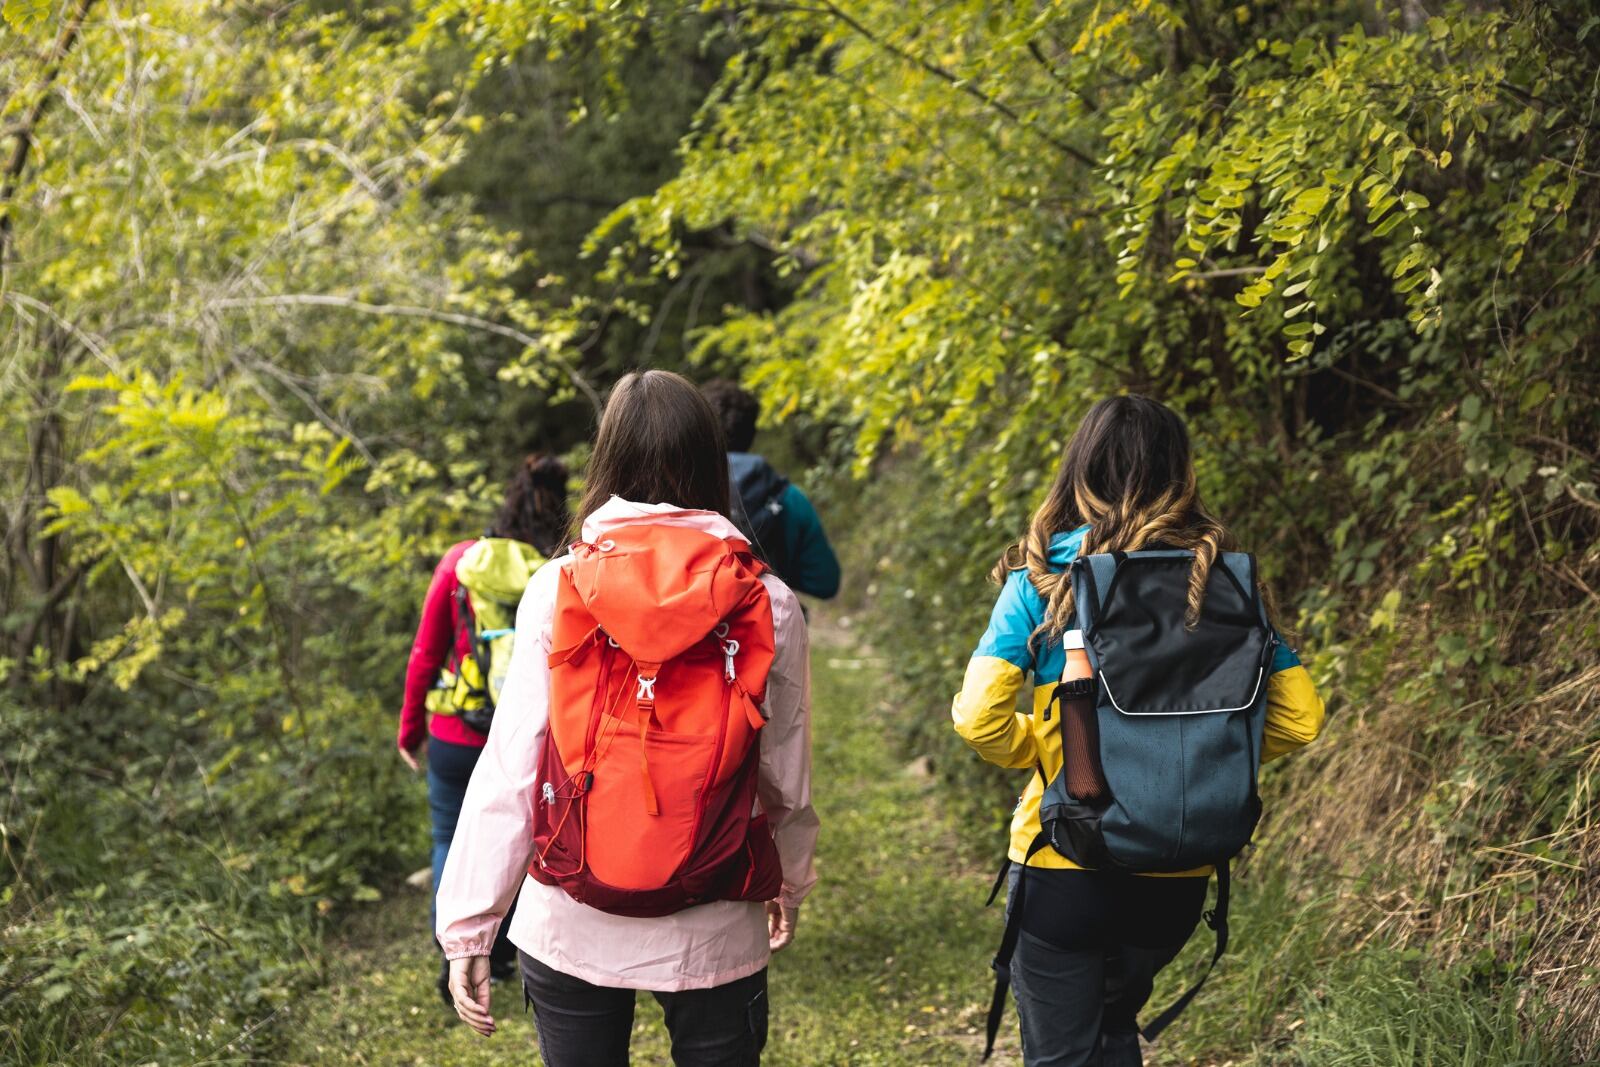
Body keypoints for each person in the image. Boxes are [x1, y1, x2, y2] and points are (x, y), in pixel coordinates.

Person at [435, 369, 818, 1067]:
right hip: (717, 904)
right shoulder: (766, 598)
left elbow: (513, 765)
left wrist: (470, 926)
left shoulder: (558, 587)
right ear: (709, 462)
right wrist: (787, 877)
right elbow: (783, 768)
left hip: (570, 910)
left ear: (606, 458)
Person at [951, 395, 1326, 1066]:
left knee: (1065, 1051)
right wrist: (1206, 756)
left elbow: (978, 715)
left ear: (1080, 469)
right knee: (1114, 1030)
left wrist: (1048, 750)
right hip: (1175, 871)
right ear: (1178, 473)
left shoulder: (1043, 577)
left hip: (1065, 858)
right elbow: (1301, 716)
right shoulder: (1220, 580)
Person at [397, 454, 572, 1002]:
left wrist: (409, 731)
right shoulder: (562, 566)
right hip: (533, 734)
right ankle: (502, 955)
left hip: (457, 730)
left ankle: (457, 954)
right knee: (526, 838)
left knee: (450, 836)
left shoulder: (460, 562)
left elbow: (426, 652)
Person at [701, 379, 840, 600]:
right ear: (752, 433)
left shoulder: (680, 495)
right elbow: (825, 582)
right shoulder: (789, 498)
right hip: (773, 623)